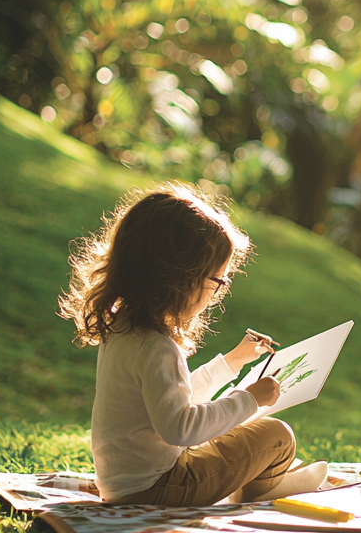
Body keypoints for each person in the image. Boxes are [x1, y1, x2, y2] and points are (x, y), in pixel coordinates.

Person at [59, 183, 326, 506]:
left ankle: (259, 483)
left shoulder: (125, 330)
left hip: (128, 484)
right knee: (277, 436)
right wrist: (249, 400)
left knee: (238, 431)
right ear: (179, 278)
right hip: (159, 488)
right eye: (218, 281)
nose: (218, 293)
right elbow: (181, 428)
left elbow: (170, 405)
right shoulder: (156, 347)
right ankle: (263, 490)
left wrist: (231, 363)